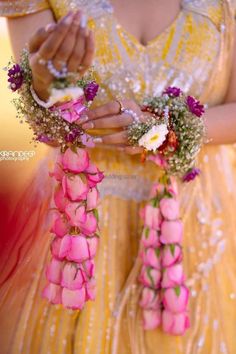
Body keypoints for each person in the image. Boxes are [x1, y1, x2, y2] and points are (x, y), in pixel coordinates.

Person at [0, 0, 236, 353]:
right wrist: (46, 82)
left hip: (193, 218)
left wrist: (166, 131)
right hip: (81, 224)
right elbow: (44, 125)